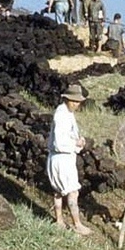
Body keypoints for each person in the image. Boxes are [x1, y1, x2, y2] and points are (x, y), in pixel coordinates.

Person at [46, 84, 92, 236]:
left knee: (58, 191)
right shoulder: (61, 116)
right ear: (67, 99)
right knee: (72, 192)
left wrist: (79, 140)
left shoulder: (67, 113)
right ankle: (77, 224)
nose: (76, 104)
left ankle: (59, 221)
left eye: (78, 102)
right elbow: (59, 143)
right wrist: (76, 143)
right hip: (62, 158)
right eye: (74, 101)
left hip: (62, 158)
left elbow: (70, 135)